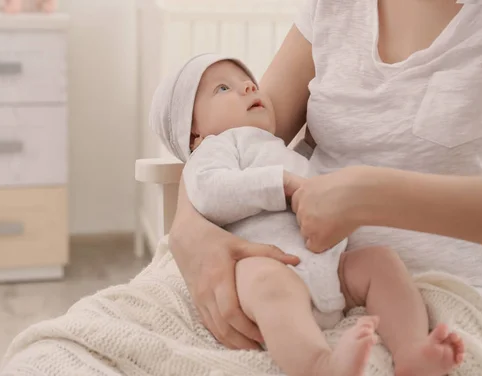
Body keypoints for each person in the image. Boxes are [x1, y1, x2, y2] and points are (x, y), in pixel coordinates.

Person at [167, 0, 482, 357]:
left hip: (443, 306)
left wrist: (370, 196)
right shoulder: (331, 7)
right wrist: (189, 229)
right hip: (305, 278)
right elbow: (243, 135)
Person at [150, 53, 465, 376]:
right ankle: (320, 365)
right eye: (222, 89)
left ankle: (411, 349)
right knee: (269, 284)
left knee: (380, 262)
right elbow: (209, 190)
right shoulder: (215, 149)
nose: (246, 86)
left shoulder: (278, 149)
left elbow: (312, 178)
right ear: (194, 135)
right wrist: (277, 183)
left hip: (330, 267)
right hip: (268, 264)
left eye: (248, 81)